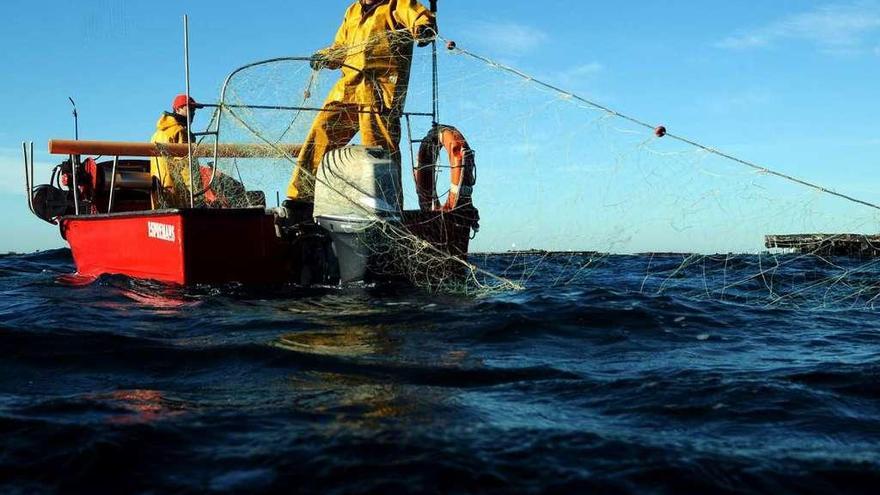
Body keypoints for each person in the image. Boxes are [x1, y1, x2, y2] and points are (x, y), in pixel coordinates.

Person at [282, 0, 437, 220]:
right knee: (320, 135)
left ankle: (388, 211)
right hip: (347, 89)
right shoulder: (352, 10)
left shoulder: (398, 3)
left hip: (380, 93)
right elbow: (341, 48)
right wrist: (326, 56)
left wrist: (423, 28)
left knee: (379, 153)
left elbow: (420, 17)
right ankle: (300, 201)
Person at [150, 94, 203, 208]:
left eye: (194, 109)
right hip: (177, 193)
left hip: (159, 190)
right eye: (189, 108)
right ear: (177, 109)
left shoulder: (157, 133)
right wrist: (196, 194)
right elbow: (186, 166)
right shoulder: (180, 132)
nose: (193, 112)